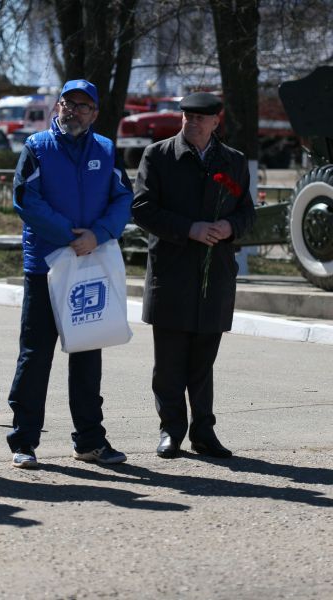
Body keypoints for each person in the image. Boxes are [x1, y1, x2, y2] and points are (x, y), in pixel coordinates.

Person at [7, 79, 133, 468]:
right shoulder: (37, 148)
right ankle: (24, 442)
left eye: (83, 106)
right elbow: (26, 198)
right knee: (35, 355)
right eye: (68, 103)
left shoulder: (107, 151)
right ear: (57, 106)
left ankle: (90, 442)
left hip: (89, 265)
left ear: (95, 113)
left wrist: (98, 234)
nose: (74, 111)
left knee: (86, 355)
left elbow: (124, 197)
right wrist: (67, 235)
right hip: (46, 267)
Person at [132, 91, 256, 459]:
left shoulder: (232, 161)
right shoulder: (159, 156)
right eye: (188, 115)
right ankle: (171, 430)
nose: (192, 121)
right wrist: (190, 228)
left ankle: (204, 431)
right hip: (172, 272)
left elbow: (248, 212)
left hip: (214, 274)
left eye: (201, 117)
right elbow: (142, 208)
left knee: (203, 361)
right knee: (169, 363)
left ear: (217, 121)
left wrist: (228, 227)